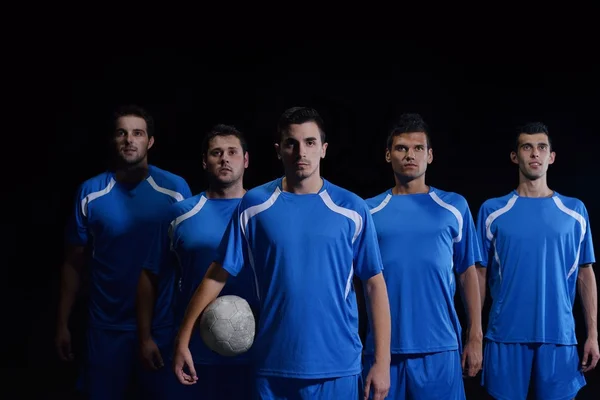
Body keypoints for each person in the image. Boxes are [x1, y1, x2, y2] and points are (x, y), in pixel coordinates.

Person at [172, 106, 392, 400]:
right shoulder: (254, 205)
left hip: (338, 364)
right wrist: (183, 340)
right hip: (273, 366)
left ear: (323, 149)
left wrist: (382, 362)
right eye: (292, 143)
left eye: (310, 142)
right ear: (279, 150)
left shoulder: (351, 208)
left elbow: (374, 284)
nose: (301, 152)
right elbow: (218, 273)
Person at [55, 104, 192, 400]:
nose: (130, 139)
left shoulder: (175, 189)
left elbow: (190, 259)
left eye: (138, 133)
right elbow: (73, 263)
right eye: (122, 133)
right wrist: (62, 323)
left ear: (150, 141)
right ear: (113, 140)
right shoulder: (90, 192)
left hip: (163, 328)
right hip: (106, 328)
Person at [476, 122, 599, 400]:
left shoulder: (575, 211)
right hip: (504, 336)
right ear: (515, 156)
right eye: (527, 147)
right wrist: (474, 334)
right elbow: (479, 275)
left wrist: (592, 334)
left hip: (559, 337)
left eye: (542, 147)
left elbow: (585, 272)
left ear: (551, 157)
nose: (535, 153)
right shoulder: (492, 211)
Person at [364, 113, 483, 399]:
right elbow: (357, 284)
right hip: (383, 352)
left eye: (418, 148)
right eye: (401, 148)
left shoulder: (454, 206)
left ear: (430, 156)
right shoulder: (368, 211)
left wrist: (475, 336)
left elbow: (468, 273)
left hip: (440, 348)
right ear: (388, 155)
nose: (410, 155)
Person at [137, 124, 257, 400]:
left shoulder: (263, 214)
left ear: (246, 160)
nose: (224, 158)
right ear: (205, 161)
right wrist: (145, 338)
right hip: (193, 352)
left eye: (232, 152)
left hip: (256, 353)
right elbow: (149, 276)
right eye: (216, 153)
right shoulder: (180, 214)